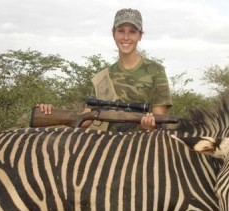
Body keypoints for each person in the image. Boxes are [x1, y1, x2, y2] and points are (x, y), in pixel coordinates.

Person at [39, 8, 172, 132]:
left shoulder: (156, 71)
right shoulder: (103, 76)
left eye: (132, 31)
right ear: (113, 33)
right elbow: (85, 121)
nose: (126, 37)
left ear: (140, 35)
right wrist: (50, 113)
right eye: (121, 31)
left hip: (141, 149)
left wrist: (150, 125)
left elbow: (159, 119)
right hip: (107, 150)